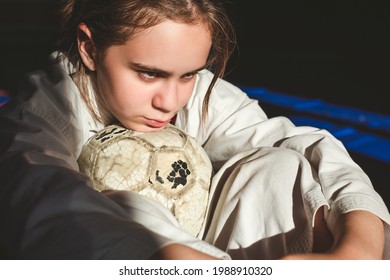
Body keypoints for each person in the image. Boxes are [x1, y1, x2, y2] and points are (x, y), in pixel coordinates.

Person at [0, 0, 389, 260]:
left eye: (188, 73)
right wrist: (169, 254)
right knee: (121, 203)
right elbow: (44, 199)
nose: (170, 101)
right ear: (89, 48)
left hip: (219, 253)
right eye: (149, 73)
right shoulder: (44, 108)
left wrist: (361, 246)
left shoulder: (202, 95)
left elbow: (304, 145)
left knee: (281, 165)